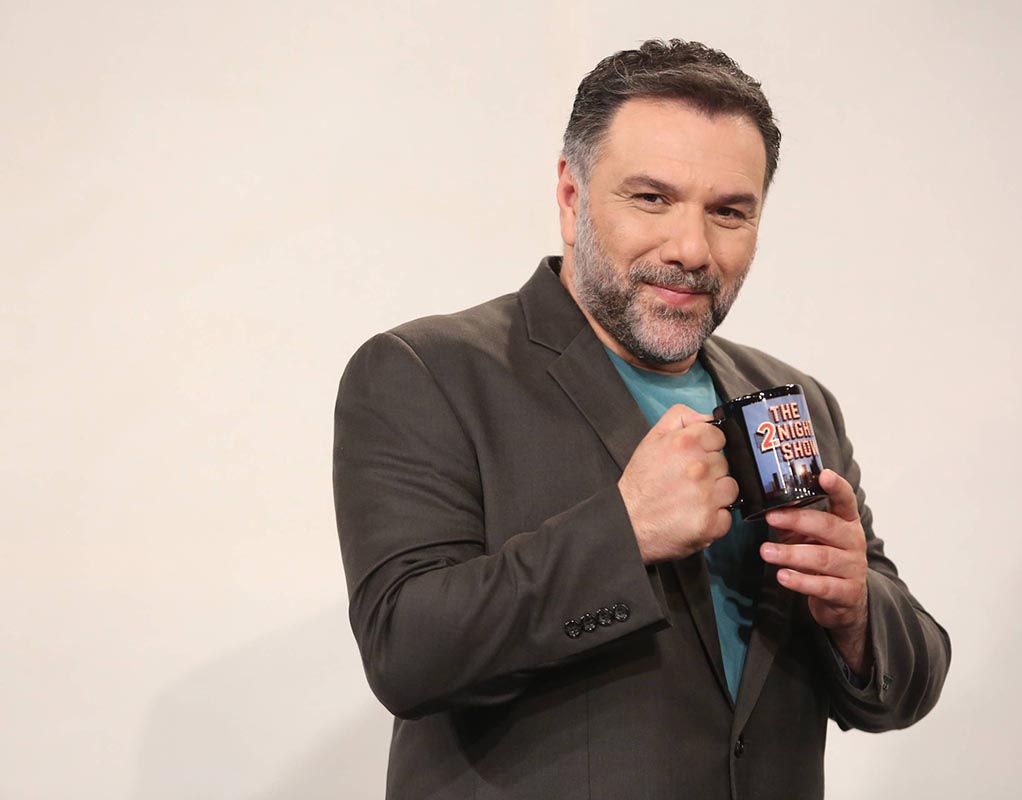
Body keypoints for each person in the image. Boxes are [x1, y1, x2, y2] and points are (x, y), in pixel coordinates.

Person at [333, 39, 950, 800]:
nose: (692, 248)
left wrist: (855, 611)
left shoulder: (796, 400)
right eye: (652, 198)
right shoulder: (428, 372)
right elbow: (406, 653)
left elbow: (908, 685)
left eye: (729, 211)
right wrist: (625, 532)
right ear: (572, 197)